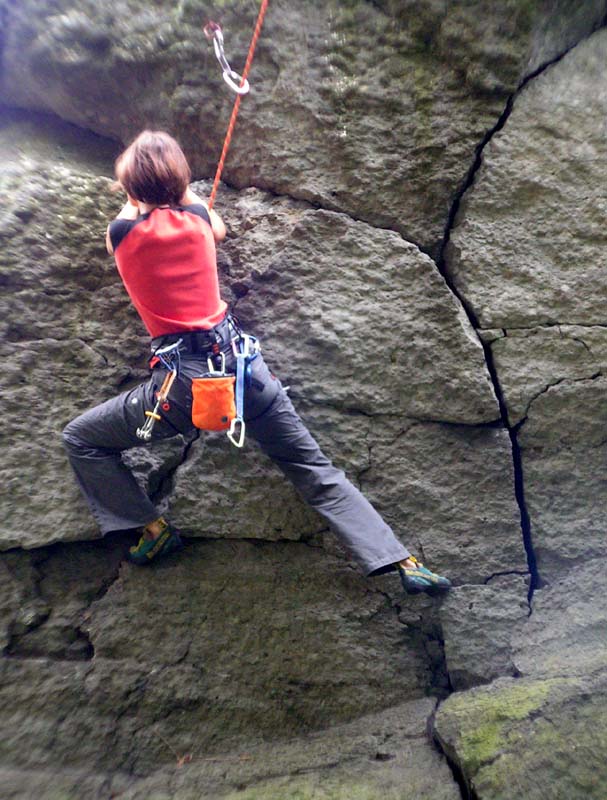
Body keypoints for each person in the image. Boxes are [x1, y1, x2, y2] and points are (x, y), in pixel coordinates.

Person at [62, 130, 451, 597]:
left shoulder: (121, 233)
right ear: (180, 182)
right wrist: (179, 188)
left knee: (81, 439)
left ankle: (152, 530)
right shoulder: (201, 217)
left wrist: (140, 190)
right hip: (245, 370)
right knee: (313, 467)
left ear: (129, 187)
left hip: (182, 386)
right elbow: (208, 220)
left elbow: (130, 212)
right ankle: (403, 560)